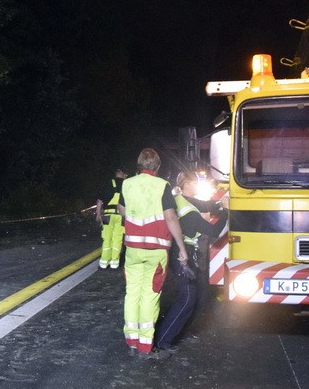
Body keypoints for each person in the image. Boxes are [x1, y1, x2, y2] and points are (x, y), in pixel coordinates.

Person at [116, 148, 187, 359]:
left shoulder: (127, 184)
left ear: (139, 165)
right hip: (156, 251)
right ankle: (145, 344)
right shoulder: (162, 186)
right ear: (157, 166)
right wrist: (181, 248)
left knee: (132, 293)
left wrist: (137, 217)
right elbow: (171, 218)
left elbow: (121, 210)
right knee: (150, 294)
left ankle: (131, 339)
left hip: (133, 250)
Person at [155, 171, 227, 355]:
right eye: (195, 183)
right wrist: (226, 211)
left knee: (198, 294)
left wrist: (219, 205)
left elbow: (204, 204)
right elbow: (214, 231)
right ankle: (164, 339)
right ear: (186, 184)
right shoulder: (189, 212)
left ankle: (178, 333)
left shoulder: (179, 200)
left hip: (180, 253)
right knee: (188, 296)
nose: (197, 186)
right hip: (183, 254)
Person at [95, 167, 128, 269]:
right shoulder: (126, 184)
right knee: (117, 239)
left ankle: (103, 263)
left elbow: (100, 200)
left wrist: (98, 214)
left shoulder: (108, 183)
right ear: (123, 174)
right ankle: (115, 263)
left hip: (107, 215)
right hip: (120, 216)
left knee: (107, 238)